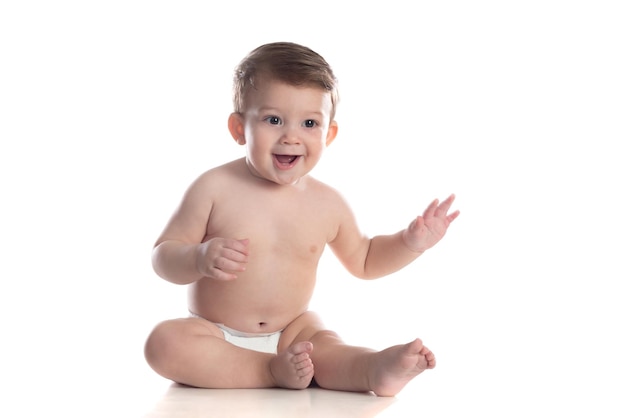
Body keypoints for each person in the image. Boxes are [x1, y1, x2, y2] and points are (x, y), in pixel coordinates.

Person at [144, 41, 459, 397]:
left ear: (329, 134)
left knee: (325, 348)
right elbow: (163, 255)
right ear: (238, 128)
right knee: (164, 343)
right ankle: (267, 370)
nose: (291, 136)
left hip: (294, 331)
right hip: (215, 332)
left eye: (309, 123)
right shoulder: (214, 187)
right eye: (273, 119)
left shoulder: (327, 203)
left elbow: (366, 260)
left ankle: (374, 369)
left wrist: (408, 243)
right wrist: (197, 258)